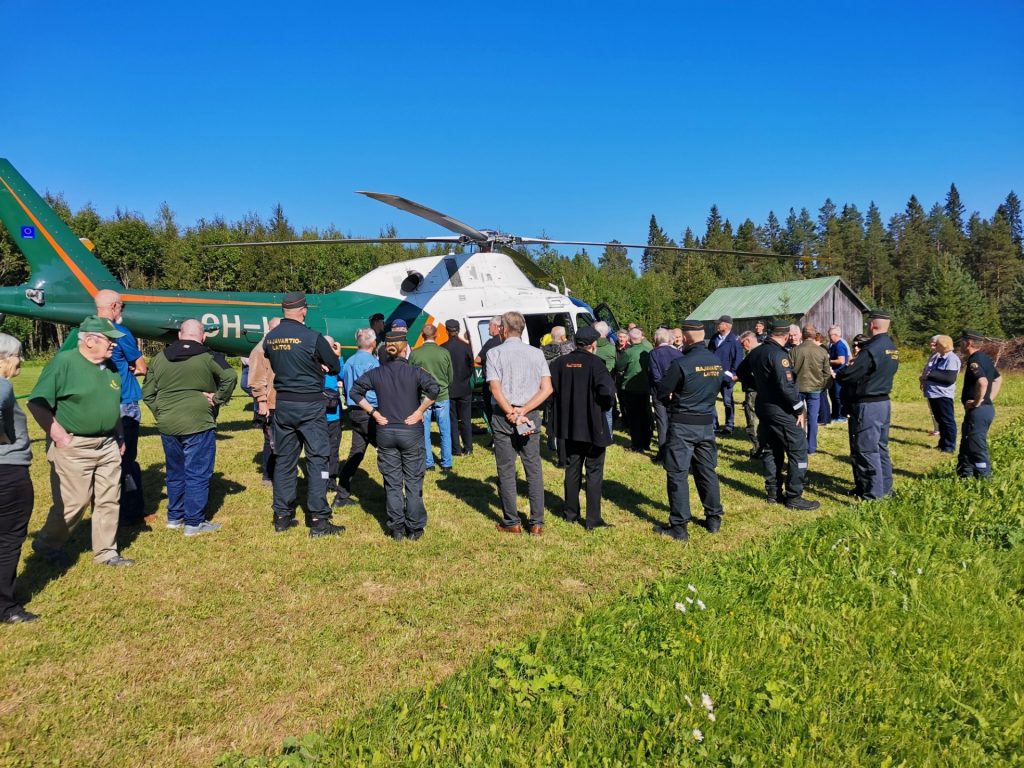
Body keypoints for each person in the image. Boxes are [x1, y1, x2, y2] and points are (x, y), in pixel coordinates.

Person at [28, 316, 134, 566]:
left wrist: (118, 434)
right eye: (110, 341)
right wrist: (59, 435)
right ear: (89, 341)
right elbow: (37, 402)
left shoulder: (110, 367)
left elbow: (112, 404)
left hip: (108, 444)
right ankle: (47, 544)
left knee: (110, 499)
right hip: (75, 446)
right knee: (74, 502)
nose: (114, 346)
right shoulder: (63, 363)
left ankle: (107, 553)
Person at [142, 319, 237, 536]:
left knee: (175, 471)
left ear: (179, 335)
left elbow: (147, 393)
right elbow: (230, 376)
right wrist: (217, 399)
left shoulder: (158, 358)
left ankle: (175, 517)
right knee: (197, 472)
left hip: (168, 423)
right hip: (198, 420)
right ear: (203, 337)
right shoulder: (209, 356)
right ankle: (194, 522)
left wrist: (160, 412)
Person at [62, 290, 149, 525]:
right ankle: (130, 512)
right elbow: (141, 366)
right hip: (124, 401)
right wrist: (133, 369)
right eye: (122, 307)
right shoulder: (120, 332)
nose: (122, 312)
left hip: (93, 403)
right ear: (114, 307)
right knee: (126, 459)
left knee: (98, 459)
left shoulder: (81, 332)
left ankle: (99, 508)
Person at [263, 292, 343, 537]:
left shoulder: (271, 338)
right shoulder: (312, 337)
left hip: (284, 404)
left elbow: (276, 359)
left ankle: (282, 516)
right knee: (318, 457)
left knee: (285, 461)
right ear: (303, 310)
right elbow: (335, 365)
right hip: (309, 405)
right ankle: (319, 519)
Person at [350, 330, 439, 540]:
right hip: (411, 432)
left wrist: (374, 413)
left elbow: (354, 392)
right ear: (405, 348)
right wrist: (419, 411)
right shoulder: (415, 372)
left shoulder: (376, 373)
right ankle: (415, 527)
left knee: (392, 482)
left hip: (386, 431)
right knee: (414, 480)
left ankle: (396, 527)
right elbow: (435, 389)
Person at [736, 319, 819, 511]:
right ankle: (794, 496)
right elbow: (786, 386)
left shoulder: (757, 351)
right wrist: (799, 409)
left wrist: (759, 387)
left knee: (771, 449)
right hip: (780, 409)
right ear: (787, 335)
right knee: (798, 448)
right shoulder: (779, 355)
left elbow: (741, 371)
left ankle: (773, 493)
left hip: (763, 405)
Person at [656, 320, 727, 541]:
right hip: (706, 424)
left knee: (677, 474)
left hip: (683, 425)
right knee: (707, 471)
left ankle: (679, 525)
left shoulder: (682, 364)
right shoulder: (716, 362)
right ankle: (713, 518)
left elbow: (662, 391)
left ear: (685, 338)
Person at [487, 311, 553, 535]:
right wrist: (524, 410)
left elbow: (495, 389)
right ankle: (537, 522)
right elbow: (547, 389)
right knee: (533, 467)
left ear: (503, 330)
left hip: (504, 415)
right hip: (530, 414)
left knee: (506, 469)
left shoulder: (494, 353)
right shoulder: (536, 353)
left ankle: (512, 521)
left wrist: (513, 412)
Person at [548, 327, 616, 530]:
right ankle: (593, 520)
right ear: (593, 345)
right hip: (592, 426)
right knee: (594, 472)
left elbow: (551, 392)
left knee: (572, 469)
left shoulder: (559, 363)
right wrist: (603, 406)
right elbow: (607, 392)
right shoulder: (596, 363)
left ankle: (570, 512)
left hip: (568, 427)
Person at [836, 310, 900, 500]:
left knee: (866, 449)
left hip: (868, 404)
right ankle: (885, 489)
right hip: (883, 402)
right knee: (880, 447)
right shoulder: (891, 346)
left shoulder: (872, 348)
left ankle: (873, 494)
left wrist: (840, 374)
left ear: (872, 325)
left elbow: (851, 373)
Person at [0, 334, 36, 623]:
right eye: (17, 355)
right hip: (8, 472)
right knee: (9, 538)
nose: (20, 360)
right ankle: (5, 606)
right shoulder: (2, 385)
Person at [336, 327, 380, 507]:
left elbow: (347, 388)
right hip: (369, 411)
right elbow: (376, 390)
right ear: (373, 343)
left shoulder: (349, 362)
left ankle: (341, 495)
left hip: (354, 412)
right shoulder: (372, 363)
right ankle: (392, 495)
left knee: (356, 453)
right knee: (387, 451)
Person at [409, 323, 454, 472]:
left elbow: (410, 377)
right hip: (442, 395)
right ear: (436, 335)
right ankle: (447, 463)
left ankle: (429, 463)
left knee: (425, 432)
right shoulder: (444, 352)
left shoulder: (415, 353)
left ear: (422, 336)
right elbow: (450, 376)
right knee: (445, 431)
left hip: (423, 397)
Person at [957, 330, 1001, 479]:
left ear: (968, 343)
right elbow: (998, 379)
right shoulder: (985, 358)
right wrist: (989, 398)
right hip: (985, 409)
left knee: (976, 444)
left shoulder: (974, 361)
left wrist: (978, 402)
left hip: (979, 411)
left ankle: (984, 479)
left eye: (961, 341)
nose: (960, 344)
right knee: (967, 443)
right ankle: (965, 475)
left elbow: (982, 382)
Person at [248, 317, 281, 486]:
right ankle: (268, 475)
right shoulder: (261, 349)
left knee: (279, 440)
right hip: (270, 403)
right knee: (272, 440)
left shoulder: (276, 346)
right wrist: (261, 401)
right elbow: (255, 379)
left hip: (280, 401)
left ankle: (277, 473)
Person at [790, 327, 831, 454]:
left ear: (802, 335)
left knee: (798, 415)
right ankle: (812, 447)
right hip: (815, 388)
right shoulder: (821, 351)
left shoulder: (794, 351)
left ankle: (799, 444)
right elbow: (827, 373)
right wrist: (822, 385)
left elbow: (789, 371)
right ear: (814, 336)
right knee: (813, 418)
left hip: (798, 388)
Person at [920, 334, 960, 454]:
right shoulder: (938, 357)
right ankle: (942, 443)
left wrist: (929, 375)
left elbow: (949, 378)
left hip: (943, 395)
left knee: (947, 421)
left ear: (943, 345)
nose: (932, 346)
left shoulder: (951, 359)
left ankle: (949, 446)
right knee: (940, 420)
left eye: (935, 344)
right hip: (933, 394)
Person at [648, 327, 682, 463]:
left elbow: (656, 376)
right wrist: (672, 390)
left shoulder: (653, 354)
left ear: (656, 339)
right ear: (669, 339)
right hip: (675, 393)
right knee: (674, 422)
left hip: (660, 394)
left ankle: (663, 454)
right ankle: (675, 453)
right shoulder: (678, 354)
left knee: (662, 423)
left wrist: (665, 390)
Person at [615, 327, 653, 452]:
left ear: (630, 339)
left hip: (631, 388)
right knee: (645, 415)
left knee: (634, 417)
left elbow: (620, 366)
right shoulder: (649, 349)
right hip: (646, 387)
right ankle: (646, 442)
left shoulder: (628, 352)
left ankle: (637, 444)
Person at [443, 319, 475, 457]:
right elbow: (471, 367)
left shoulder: (443, 347)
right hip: (464, 387)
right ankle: (468, 447)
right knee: (466, 420)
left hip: (450, 388)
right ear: (459, 329)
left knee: (453, 420)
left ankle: (456, 449)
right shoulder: (466, 347)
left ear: (446, 330)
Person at [707, 315, 743, 435]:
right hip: (713, 375)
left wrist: (733, 375)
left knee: (727, 402)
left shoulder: (734, 340)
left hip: (727, 377)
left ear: (727, 326)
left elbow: (737, 359)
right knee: (711, 400)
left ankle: (729, 425)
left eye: (720, 323)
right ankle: (714, 425)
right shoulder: (714, 338)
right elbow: (709, 355)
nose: (717, 325)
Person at [322, 337, 345, 488]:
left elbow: (343, 375)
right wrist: (338, 357)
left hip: (328, 415)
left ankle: (328, 478)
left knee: (329, 449)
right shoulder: (329, 364)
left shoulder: (314, 362)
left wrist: (338, 358)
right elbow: (343, 376)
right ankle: (327, 479)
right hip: (328, 415)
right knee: (329, 449)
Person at [476, 316, 504, 431]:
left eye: (489, 327)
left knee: (491, 408)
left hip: (491, 381)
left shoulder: (491, 342)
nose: (488, 330)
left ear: (496, 327)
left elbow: (478, 359)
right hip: (505, 379)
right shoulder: (505, 340)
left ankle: (495, 434)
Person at [738, 330, 762, 458]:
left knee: (753, 419)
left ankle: (758, 448)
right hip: (764, 391)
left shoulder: (753, 355)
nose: (742, 346)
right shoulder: (764, 350)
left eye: (743, 344)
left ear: (748, 341)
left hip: (753, 391)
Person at [827, 326, 850, 423]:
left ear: (835, 335)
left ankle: (841, 415)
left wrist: (828, 361)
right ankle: (835, 414)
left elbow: (841, 360)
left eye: (830, 335)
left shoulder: (839, 345)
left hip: (839, 374)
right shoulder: (834, 345)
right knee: (833, 395)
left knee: (838, 395)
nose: (829, 337)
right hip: (835, 374)